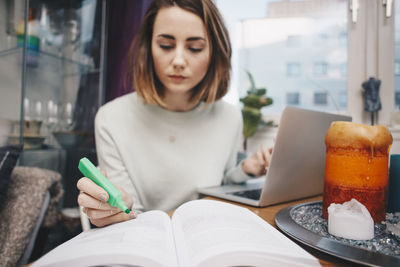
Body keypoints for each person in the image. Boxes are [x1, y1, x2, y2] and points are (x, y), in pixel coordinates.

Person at [77, 0, 270, 227]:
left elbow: (222, 183)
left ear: (214, 52)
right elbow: (128, 213)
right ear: (148, 48)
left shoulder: (230, 117)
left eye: (195, 48)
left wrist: (245, 171)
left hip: (210, 232)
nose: (178, 61)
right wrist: (115, 210)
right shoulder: (111, 118)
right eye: (166, 45)